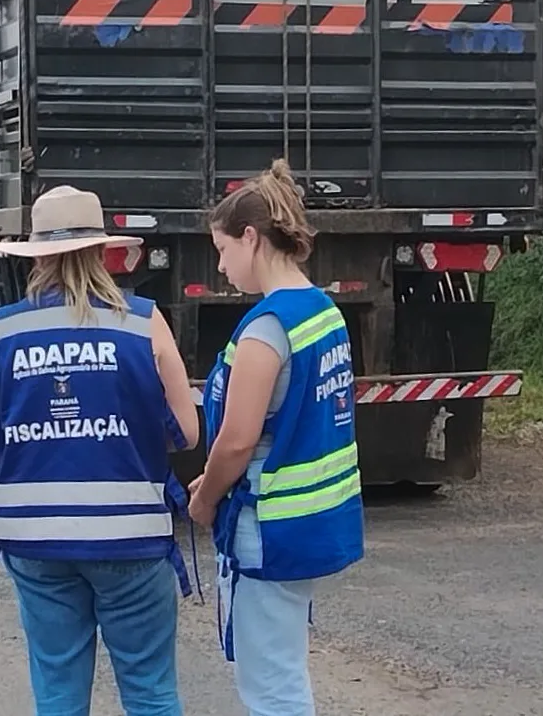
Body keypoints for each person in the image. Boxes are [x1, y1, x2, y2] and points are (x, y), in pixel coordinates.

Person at [0, 184, 200, 716]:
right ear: (101, 251)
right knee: (151, 692)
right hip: (131, 537)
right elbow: (188, 430)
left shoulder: (5, 328)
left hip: (34, 538)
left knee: (59, 692)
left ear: (37, 256)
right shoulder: (141, 320)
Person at [187, 159, 364, 716]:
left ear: (250, 238)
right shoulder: (323, 312)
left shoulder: (266, 330)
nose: (220, 266)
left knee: (271, 687)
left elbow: (238, 442)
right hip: (316, 520)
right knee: (285, 668)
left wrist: (205, 497)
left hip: (268, 527)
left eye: (221, 250)